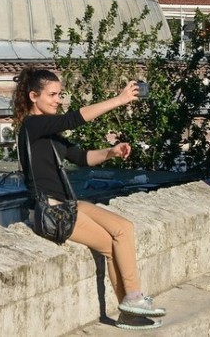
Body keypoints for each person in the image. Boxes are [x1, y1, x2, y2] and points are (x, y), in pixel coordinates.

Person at [12, 68, 166, 331]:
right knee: (121, 232)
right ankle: (134, 299)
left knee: (115, 239)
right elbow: (75, 119)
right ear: (33, 96)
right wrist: (119, 100)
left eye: (60, 94)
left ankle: (128, 309)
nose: (57, 100)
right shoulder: (31, 125)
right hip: (52, 211)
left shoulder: (49, 133)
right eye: (52, 95)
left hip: (67, 206)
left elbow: (81, 158)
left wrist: (112, 152)